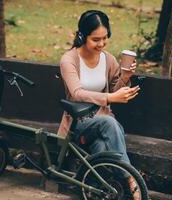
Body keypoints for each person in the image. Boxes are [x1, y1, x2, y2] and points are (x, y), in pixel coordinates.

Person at [57, 10, 140, 199]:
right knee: (110, 124)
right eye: (96, 39)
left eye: (105, 38)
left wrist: (125, 77)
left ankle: (94, 190)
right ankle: (131, 180)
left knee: (102, 147)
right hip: (77, 124)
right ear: (82, 36)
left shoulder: (108, 59)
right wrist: (111, 98)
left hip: (102, 125)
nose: (101, 44)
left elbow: (114, 88)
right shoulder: (69, 60)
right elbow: (77, 94)